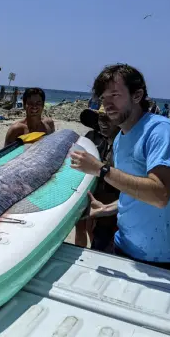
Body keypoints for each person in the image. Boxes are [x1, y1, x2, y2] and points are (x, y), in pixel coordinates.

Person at [70, 64, 170, 275]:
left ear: (137, 96)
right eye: (103, 98)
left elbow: (160, 194)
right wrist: (107, 209)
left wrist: (102, 169)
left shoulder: (160, 131)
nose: (107, 104)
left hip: (165, 258)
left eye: (115, 95)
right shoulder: (120, 139)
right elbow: (135, 191)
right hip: (123, 246)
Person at [75, 105, 120, 252]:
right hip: (88, 193)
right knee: (82, 227)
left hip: (110, 200)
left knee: (97, 234)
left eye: (108, 118)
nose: (103, 122)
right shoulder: (90, 137)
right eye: (101, 117)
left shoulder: (121, 144)